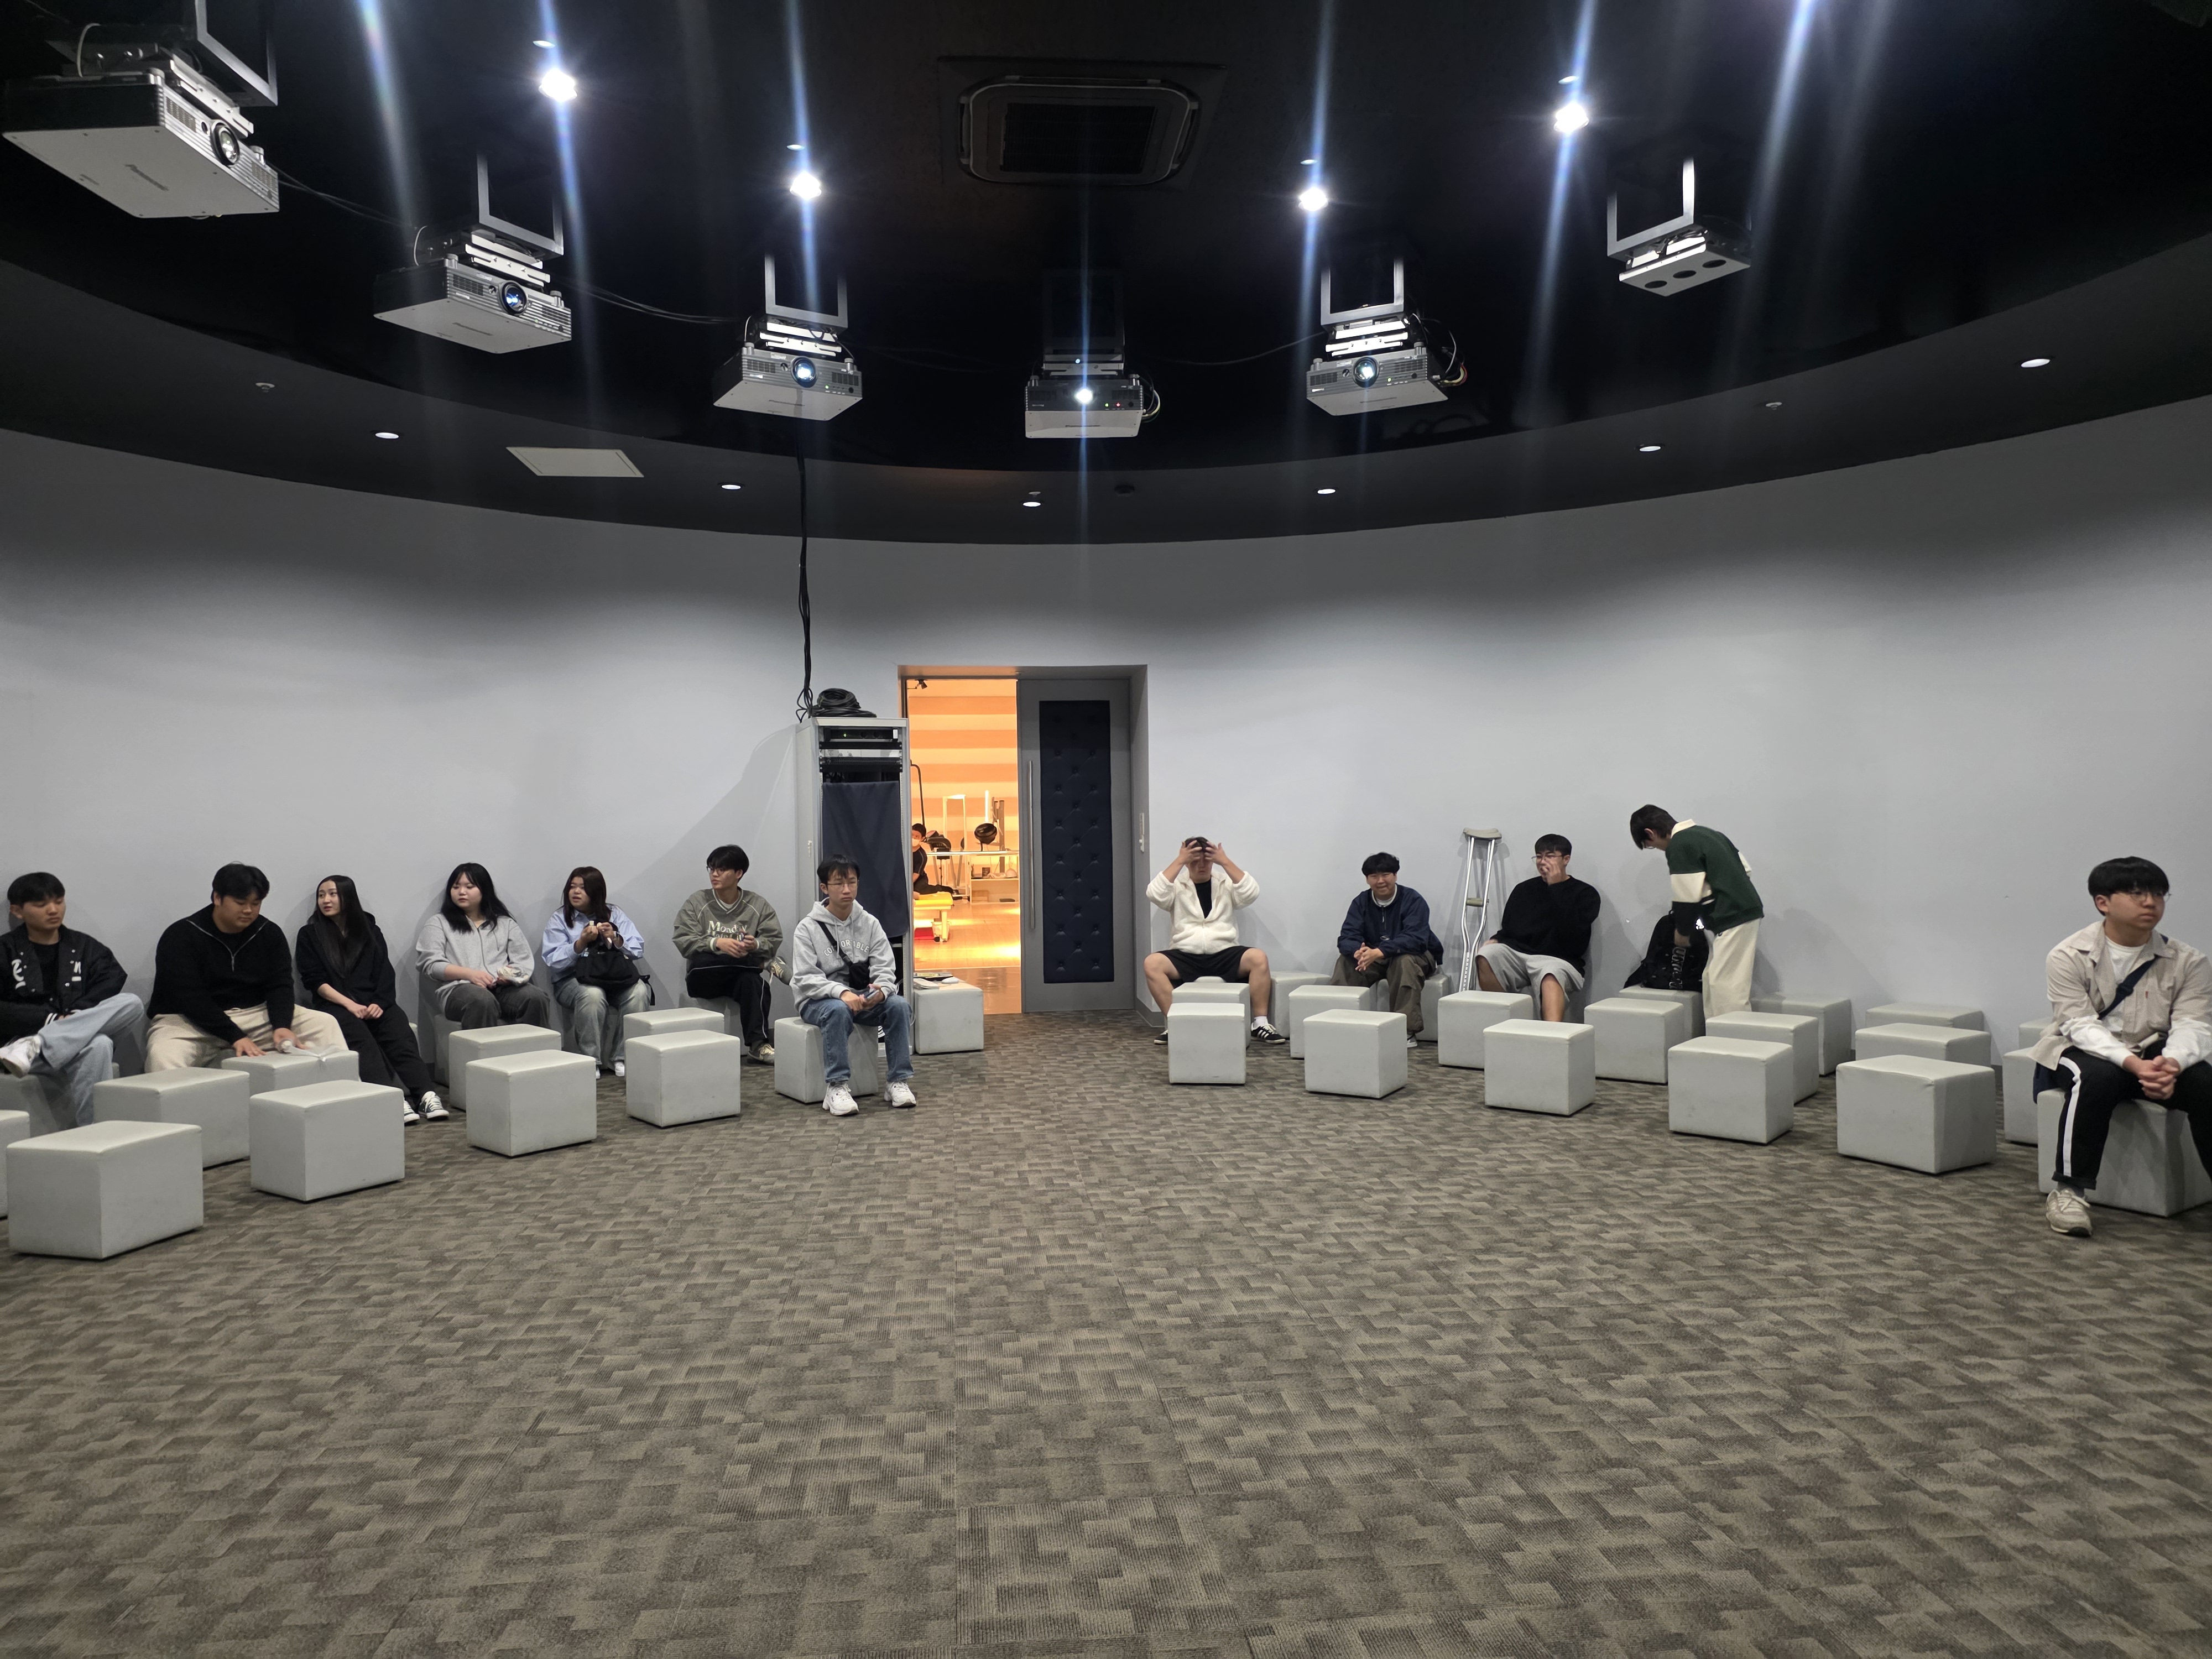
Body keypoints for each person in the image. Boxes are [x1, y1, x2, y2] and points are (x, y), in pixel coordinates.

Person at [2031, 855, 2212, 1238]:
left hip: (2156, 1052)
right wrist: (2133, 1064)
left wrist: (2173, 1064)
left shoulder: (2189, 961)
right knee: (2096, 1078)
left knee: (2205, 1082)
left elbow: (2193, 1024)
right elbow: (2079, 1025)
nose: (2150, 902)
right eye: (2136, 893)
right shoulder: (2068, 955)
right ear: (2103, 902)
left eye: (2158, 894)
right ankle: (2069, 1191)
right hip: (2083, 1049)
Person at [146, 863, 346, 1071]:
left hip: (255, 1015)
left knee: (324, 1024)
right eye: (240, 903)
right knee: (163, 1055)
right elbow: (190, 998)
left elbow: (280, 985)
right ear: (217, 898)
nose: (249, 910)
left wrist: (282, 1025)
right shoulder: (181, 936)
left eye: (256, 903)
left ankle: (344, 1089)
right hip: (188, 1021)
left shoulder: (269, 933)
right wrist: (235, 1036)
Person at [0, 872, 148, 1125]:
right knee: (99, 1043)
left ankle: (40, 1042)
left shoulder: (83, 946)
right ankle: (97, 1133)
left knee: (132, 1003)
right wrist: (51, 1018)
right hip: (14, 1051)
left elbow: (111, 978)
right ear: (17, 911)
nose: (53, 910)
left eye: (59, 901)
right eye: (41, 905)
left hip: (53, 1043)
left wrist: (72, 1016)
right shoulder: (4, 950)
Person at [296, 875, 446, 1124]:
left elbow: (384, 972)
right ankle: (390, 1098)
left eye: (333, 894)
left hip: (374, 1001)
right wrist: (350, 1004)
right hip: (336, 1005)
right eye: (321, 895)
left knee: (398, 1029)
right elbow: (315, 981)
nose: (326, 900)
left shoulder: (370, 931)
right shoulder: (309, 935)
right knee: (361, 1038)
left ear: (348, 897)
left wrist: (380, 1002)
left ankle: (426, 1094)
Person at [791, 853, 917, 1118]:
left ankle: (898, 1081)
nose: (847, 889)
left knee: (898, 1005)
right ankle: (836, 1086)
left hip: (861, 997)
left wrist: (881, 991)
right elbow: (806, 978)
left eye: (852, 882)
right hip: (817, 1001)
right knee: (838, 1010)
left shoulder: (870, 923)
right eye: (839, 883)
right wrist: (842, 993)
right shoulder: (807, 928)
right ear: (825, 888)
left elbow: (885, 967)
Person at [1142, 836, 1286, 1046]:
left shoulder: (1225, 882)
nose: (1202, 866)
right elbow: (1154, 894)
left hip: (1224, 952)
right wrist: (1180, 860)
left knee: (1258, 958)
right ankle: (1176, 1024)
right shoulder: (1177, 885)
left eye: (1206, 861)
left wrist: (1224, 861)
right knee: (1152, 963)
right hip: (1186, 953)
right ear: (1187, 863)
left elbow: (1251, 892)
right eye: (1195, 861)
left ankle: (1260, 1024)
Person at [1629, 807, 1764, 1018]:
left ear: (1650, 833)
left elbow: (1686, 897)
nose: (1658, 849)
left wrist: (1682, 932)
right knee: (1712, 978)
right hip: (1739, 913)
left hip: (1732, 916)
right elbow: (1745, 870)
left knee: (1726, 987)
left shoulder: (1680, 844)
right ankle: (1716, 1033)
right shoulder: (1710, 834)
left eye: (1651, 846)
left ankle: (1732, 1036)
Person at [415, 863, 556, 1034]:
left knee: (536, 998)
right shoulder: (439, 923)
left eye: (469, 887)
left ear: (484, 890)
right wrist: (470, 974)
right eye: (456, 887)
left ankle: (536, 1050)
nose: (462, 892)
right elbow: (430, 964)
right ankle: (482, 1052)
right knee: (481, 1000)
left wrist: (510, 976)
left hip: (504, 989)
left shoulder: (505, 923)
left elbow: (523, 961)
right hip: (459, 989)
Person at [674, 844, 784, 1061]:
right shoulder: (697, 902)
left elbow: (773, 939)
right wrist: (717, 943)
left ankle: (758, 1045)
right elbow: (683, 940)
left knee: (755, 982)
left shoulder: (757, 905)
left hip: (737, 979)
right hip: (704, 977)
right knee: (704, 961)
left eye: (721, 869)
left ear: (738, 873)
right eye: (711, 869)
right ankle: (762, 964)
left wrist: (755, 945)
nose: (714, 874)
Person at [1477, 835, 1604, 1022]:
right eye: (1539, 856)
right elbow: (1510, 928)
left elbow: (1573, 935)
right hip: (1520, 955)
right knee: (1486, 955)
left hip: (1561, 959)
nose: (1543, 862)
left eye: (1550, 856)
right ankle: (1504, 1020)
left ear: (1566, 859)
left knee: (1551, 973)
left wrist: (1556, 887)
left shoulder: (1585, 894)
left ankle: (1551, 1035)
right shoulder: (1523, 890)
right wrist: (1498, 938)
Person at [545, 865, 651, 1077]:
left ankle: (622, 1057)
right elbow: (554, 961)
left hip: (613, 978)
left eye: (583, 888)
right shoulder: (560, 919)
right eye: (572, 887)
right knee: (592, 995)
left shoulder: (615, 914)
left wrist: (615, 937)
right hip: (572, 981)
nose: (576, 892)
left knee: (639, 992)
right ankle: (590, 1060)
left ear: (596, 892)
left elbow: (638, 949)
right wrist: (581, 943)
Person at [1332, 853, 1443, 1043]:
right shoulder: (1361, 902)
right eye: (1374, 876)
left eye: (1385, 875)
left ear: (1395, 875)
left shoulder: (1413, 899)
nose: (1380, 881)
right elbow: (1347, 936)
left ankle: (1405, 1030)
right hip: (1376, 957)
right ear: (1367, 879)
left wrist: (1380, 951)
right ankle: (1339, 1024)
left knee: (1404, 962)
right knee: (1346, 962)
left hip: (1415, 954)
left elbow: (1416, 939)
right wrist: (1357, 951)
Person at [912, 824, 956, 895]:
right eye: (912, 835)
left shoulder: (922, 856)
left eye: (917, 837)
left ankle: (939, 888)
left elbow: (915, 875)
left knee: (919, 890)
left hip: (919, 878)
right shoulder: (903, 850)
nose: (913, 838)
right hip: (906, 876)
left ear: (922, 839)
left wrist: (906, 885)